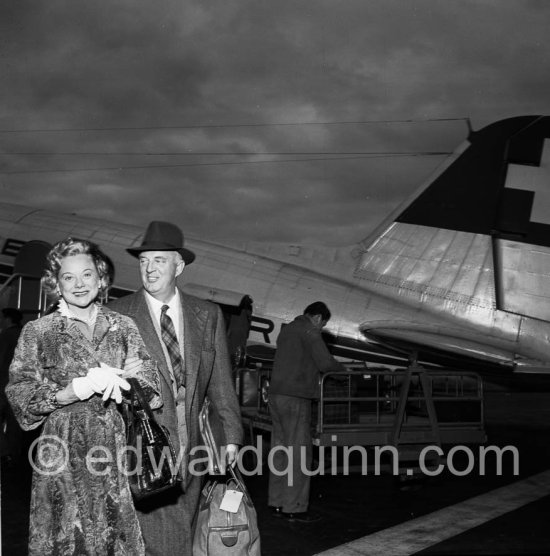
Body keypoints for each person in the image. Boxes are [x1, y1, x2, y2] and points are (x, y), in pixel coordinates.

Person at [6, 238, 161, 556]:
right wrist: (66, 393)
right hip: (62, 448)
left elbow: (153, 393)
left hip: (113, 448)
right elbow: (19, 394)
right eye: (68, 277)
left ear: (101, 278)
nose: (79, 284)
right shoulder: (40, 331)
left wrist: (132, 382)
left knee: (111, 536)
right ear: (55, 283)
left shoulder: (122, 327)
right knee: (67, 538)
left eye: (87, 275)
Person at [108, 220, 243, 556]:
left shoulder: (206, 314)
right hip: (144, 449)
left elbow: (220, 382)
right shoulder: (117, 314)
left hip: (193, 445)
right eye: (143, 261)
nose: (149, 269)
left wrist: (231, 436)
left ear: (179, 266)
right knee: (162, 538)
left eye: (159, 260)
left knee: (185, 530)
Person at [267, 301, 346, 522]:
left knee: (280, 449)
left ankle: (277, 501)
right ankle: (294, 507)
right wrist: (344, 372)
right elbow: (324, 362)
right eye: (323, 326)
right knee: (299, 452)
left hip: (276, 395)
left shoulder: (288, 329)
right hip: (295, 397)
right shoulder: (310, 330)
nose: (321, 329)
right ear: (319, 318)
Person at [0, 307, 24, 464]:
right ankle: (16, 452)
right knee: (16, 421)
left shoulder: (6, 335)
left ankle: (5, 451)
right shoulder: (24, 333)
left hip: (4, 383)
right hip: (21, 384)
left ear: (7, 319)